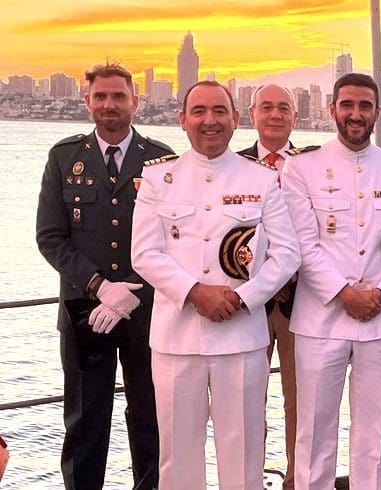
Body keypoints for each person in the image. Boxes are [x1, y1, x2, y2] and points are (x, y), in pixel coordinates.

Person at [131, 80, 300, 489]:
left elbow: (287, 254)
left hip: (241, 338)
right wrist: (195, 293)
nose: (210, 121)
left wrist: (242, 299)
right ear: (183, 120)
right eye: (200, 112)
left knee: (243, 455)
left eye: (220, 111)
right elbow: (144, 254)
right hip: (176, 339)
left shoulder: (261, 180)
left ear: (236, 119)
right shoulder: (159, 178)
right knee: (177, 456)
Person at [281, 73, 381, 490]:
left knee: (374, 436)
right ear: (332, 110)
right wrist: (345, 294)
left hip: (380, 321)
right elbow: (301, 242)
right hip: (320, 319)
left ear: (377, 113)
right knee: (313, 434)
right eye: (347, 105)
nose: (356, 114)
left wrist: (380, 294)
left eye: (365, 106)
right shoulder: (302, 167)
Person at [36, 62, 169, 490]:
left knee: (150, 417)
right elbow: (51, 237)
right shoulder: (64, 157)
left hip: (147, 312)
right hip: (84, 311)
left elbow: (176, 238)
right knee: (84, 420)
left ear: (135, 100)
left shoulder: (162, 159)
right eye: (100, 96)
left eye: (118, 96)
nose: (109, 104)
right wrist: (100, 286)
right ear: (87, 101)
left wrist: (131, 287)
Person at [237, 83, 300, 490]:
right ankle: (249, 480)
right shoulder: (230, 164)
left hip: (301, 301)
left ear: (295, 116)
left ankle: (298, 479)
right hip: (246, 305)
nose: (275, 115)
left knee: (302, 403)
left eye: (283, 108)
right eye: (266, 107)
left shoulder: (313, 166)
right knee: (244, 402)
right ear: (252, 113)